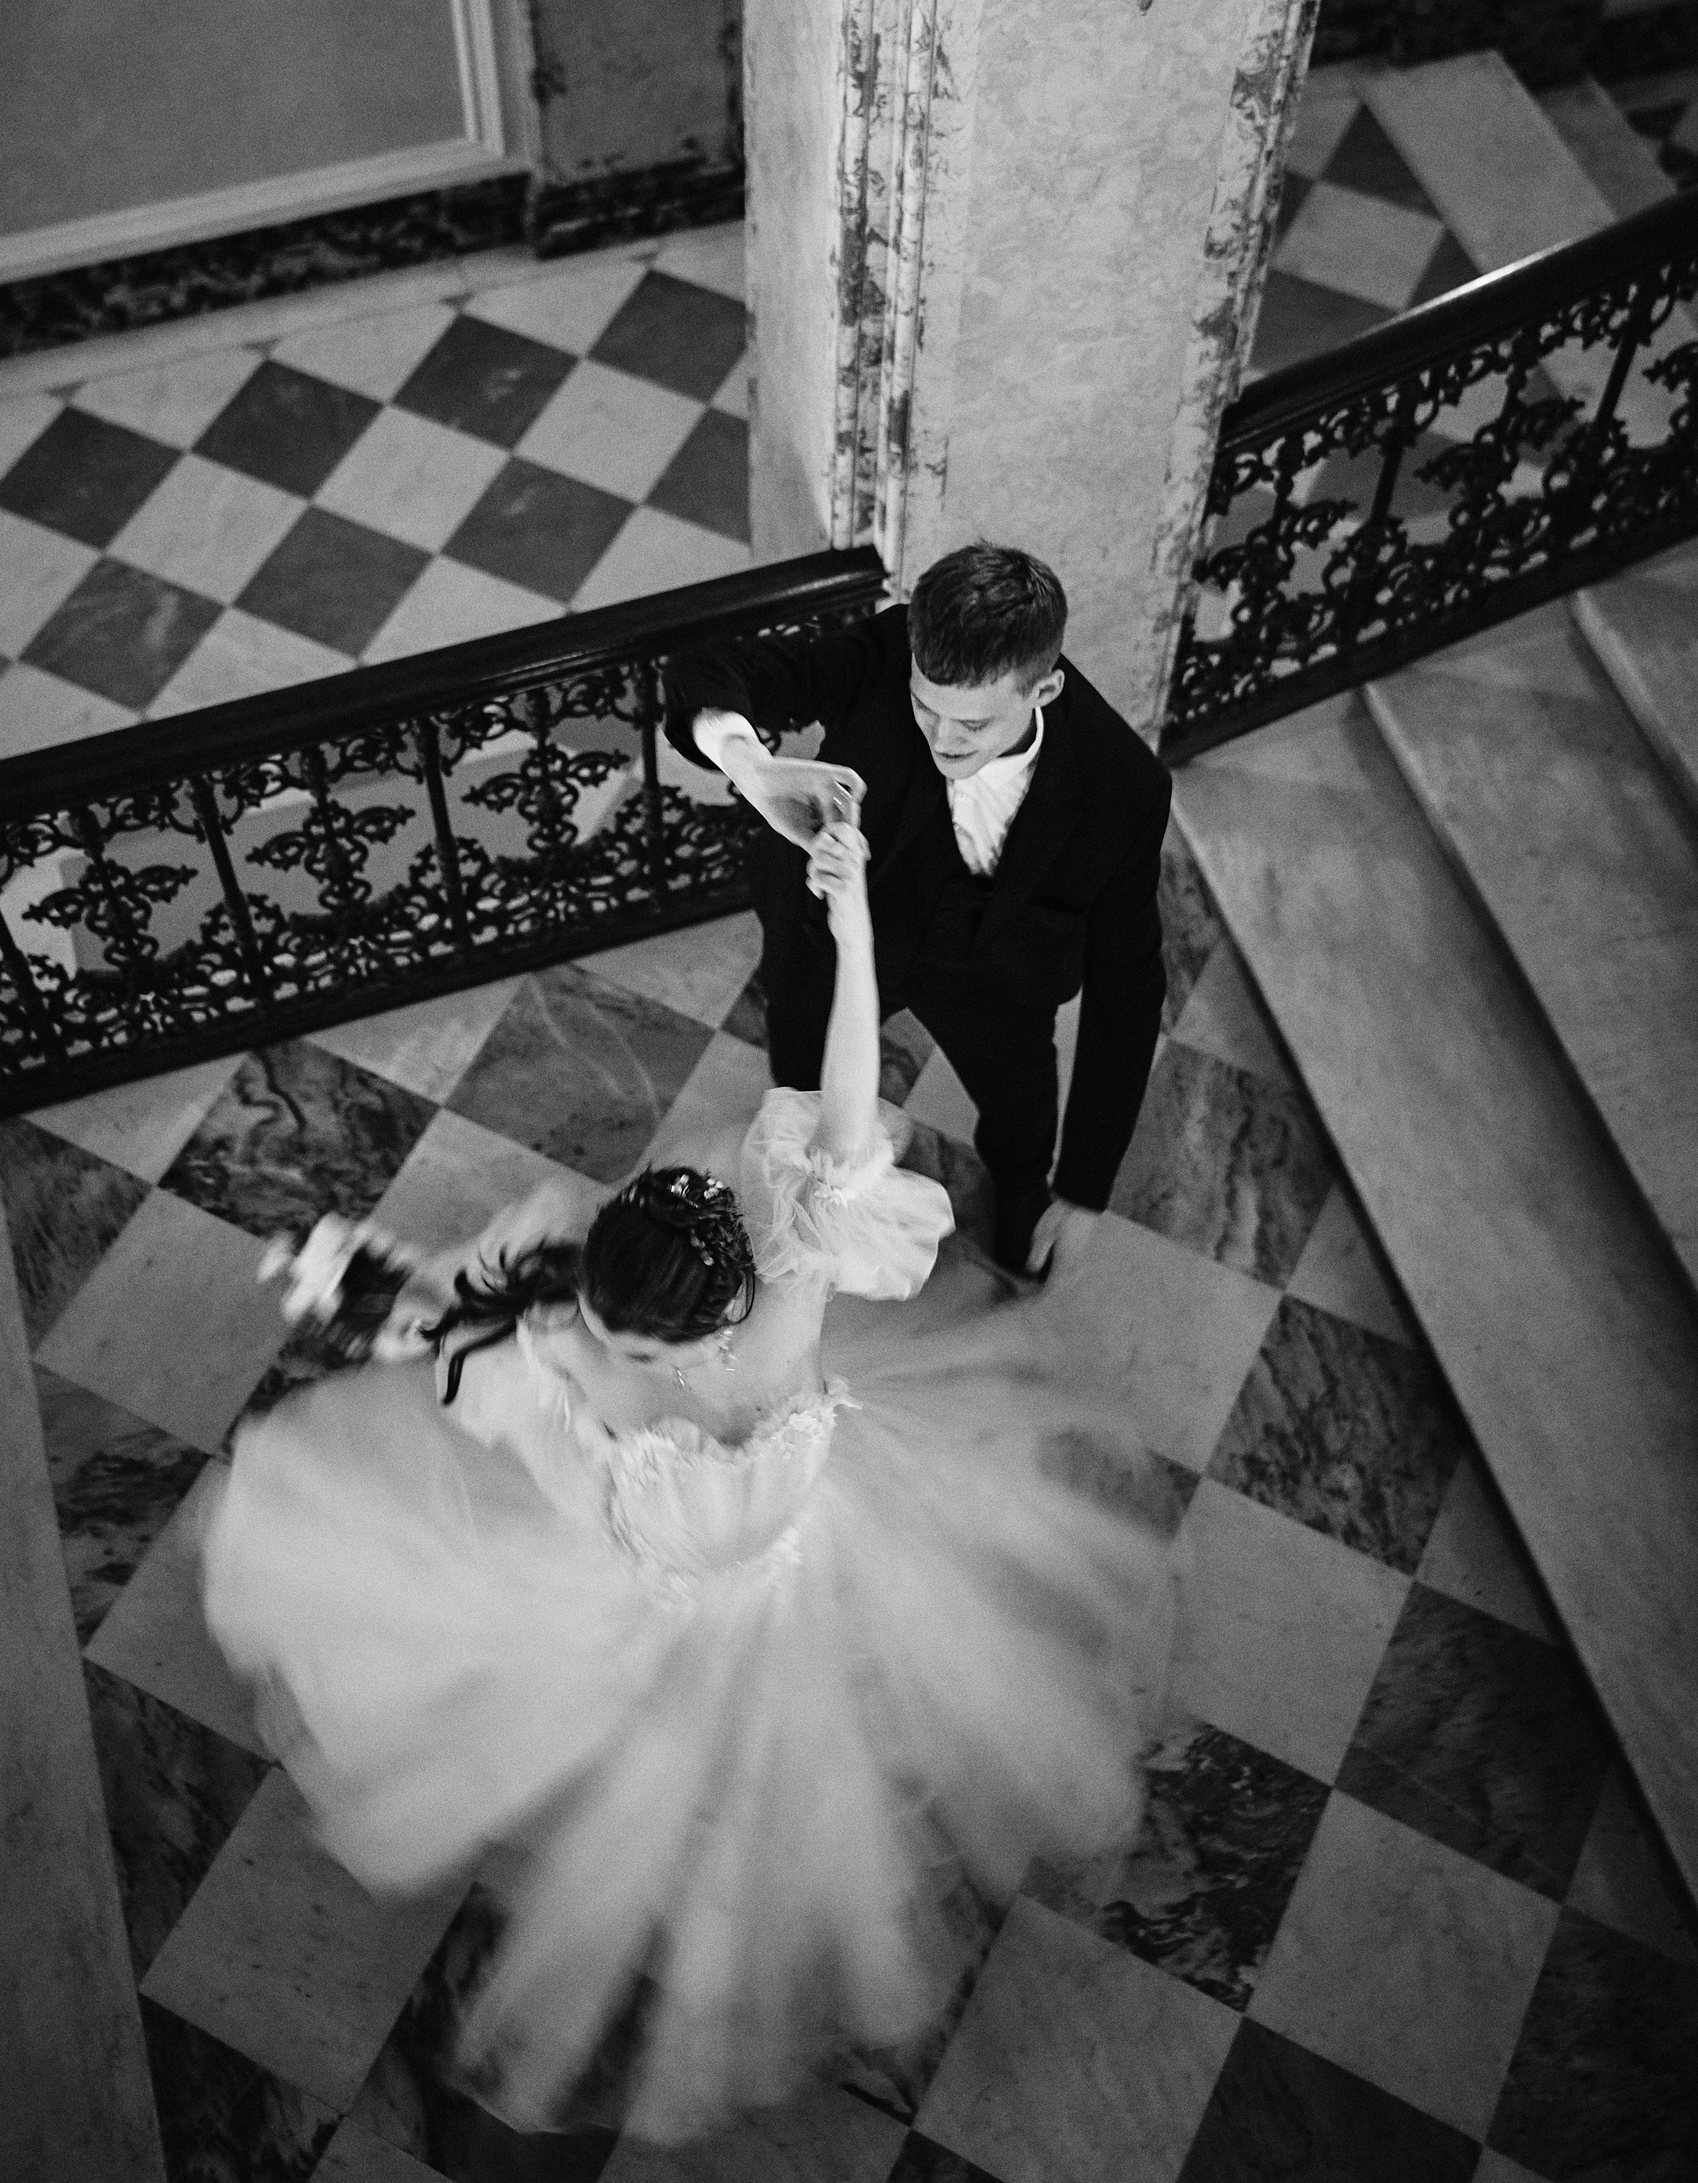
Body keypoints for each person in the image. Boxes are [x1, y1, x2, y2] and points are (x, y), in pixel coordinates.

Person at [201, 821, 1170, 2143]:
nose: (605, 1348)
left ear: (713, 1318)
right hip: (651, 1575)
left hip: (796, 1551)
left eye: (636, 1343)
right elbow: (458, 1320)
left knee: (796, 1772)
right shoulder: (573, 1341)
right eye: (598, 1319)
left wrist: (854, 921)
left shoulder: (787, 1299)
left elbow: (846, 1102)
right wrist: (351, 1284)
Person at [665, 538, 1172, 1279]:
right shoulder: (884, 653)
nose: (942, 739)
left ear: (1044, 691)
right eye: (925, 707)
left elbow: (1128, 990)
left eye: (972, 726)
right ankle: (806, 1203)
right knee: (806, 1082)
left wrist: (1086, 1189)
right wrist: (754, 769)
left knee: (1022, 1108)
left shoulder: (1122, 786)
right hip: (838, 934)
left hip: (997, 974)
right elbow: (703, 670)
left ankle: (1022, 1195)